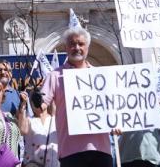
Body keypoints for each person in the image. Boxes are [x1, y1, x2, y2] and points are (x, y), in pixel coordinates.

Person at [41, 27, 116, 167]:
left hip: (101, 149)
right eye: (72, 44)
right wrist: (34, 100)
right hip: (71, 151)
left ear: (87, 47)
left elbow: (111, 106)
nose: (77, 48)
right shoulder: (55, 76)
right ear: (66, 47)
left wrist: (116, 123)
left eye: (81, 44)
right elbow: (41, 106)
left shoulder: (101, 76)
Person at [23, 89, 57, 167]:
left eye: (42, 96)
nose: (40, 99)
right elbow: (22, 130)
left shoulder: (56, 120)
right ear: (31, 103)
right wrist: (22, 106)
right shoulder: (28, 120)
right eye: (36, 98)